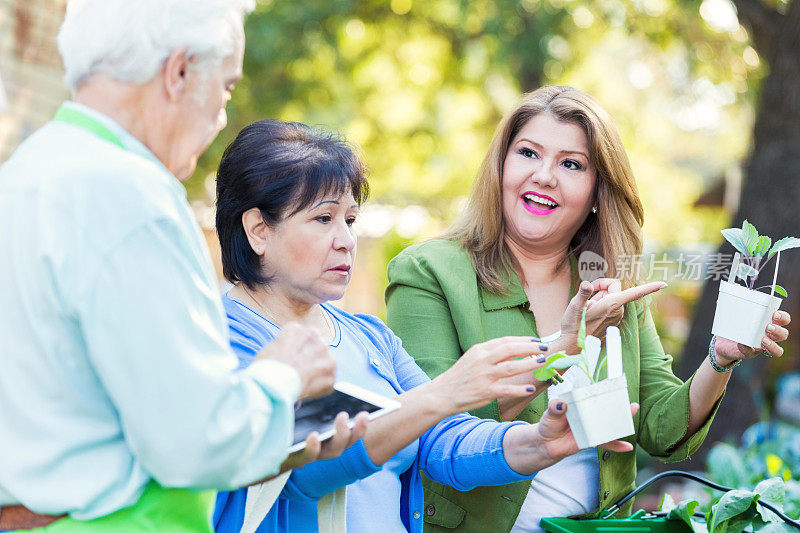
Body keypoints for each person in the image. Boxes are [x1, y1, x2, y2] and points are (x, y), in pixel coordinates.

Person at [0, 1, 363, 531]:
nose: (220, 114)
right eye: (227, 87)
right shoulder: (132, 198)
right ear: (180, 72)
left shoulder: (24, 174)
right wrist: (283, 374)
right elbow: (196, 442)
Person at [385, 85, 792, 532]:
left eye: (571, 164)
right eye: (527, 153)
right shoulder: (429, 273)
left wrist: (720, 357)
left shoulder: (612, 288)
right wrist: (566, 349)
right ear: (500, 166)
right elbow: (430, 431)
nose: (543, 175)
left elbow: (662, 428)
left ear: (598, 190)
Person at [210, 119, 639, 533]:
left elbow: (444, 441)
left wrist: (540, 443)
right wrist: (443, 394)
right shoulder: (221, 343)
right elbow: (304, 468)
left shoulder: (369, 337)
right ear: (258, 231)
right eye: (324, 219)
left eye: (350, 220)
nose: (345, 240)